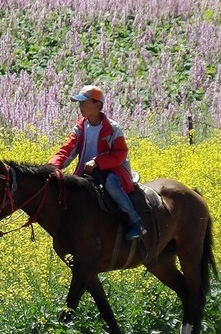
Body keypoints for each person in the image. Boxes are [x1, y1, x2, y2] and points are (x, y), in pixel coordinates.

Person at [49, 84, 147, 240]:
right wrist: (52, 166)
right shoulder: (80, 128)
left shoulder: (113, 129)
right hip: (85, 173)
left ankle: (136, 222)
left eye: (84, 102)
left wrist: (98, 162)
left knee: (112, 185)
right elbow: (67, 150)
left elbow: (120, 153)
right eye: (79, 102)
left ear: (97, 105)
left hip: (111, 171)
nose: (80, 106)